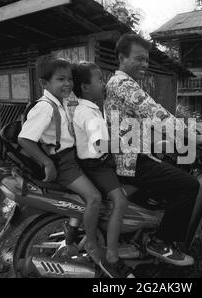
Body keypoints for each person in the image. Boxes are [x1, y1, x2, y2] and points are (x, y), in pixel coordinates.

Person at [104, 34, 202, 266]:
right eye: (139, 58)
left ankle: (141, 232)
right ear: (122, 58)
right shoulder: (123, 84)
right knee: (188, 185)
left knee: (171, 165)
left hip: (129, 153)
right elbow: (157, 114)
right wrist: (194, 136)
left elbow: (148, 119)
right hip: (131, 160)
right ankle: (161, 241)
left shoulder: (120, 84)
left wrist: (173, 137)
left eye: (147, 59)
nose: (145, 64)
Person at [17, 55, 103, 264]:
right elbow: (25, 139)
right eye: (61, 79)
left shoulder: (60, 102)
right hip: (62, 164)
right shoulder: (45, 107)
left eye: (70, 79)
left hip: (70, 158)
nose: (68, 84)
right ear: (44, 83)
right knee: (94, 198)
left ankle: (72, 231)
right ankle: (92, 243)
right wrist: (47, 163)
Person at [71, 61, 134, 278]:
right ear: (85, 87)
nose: (104, 83)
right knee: (121, 201)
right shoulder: (88, 113)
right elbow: (99, 144)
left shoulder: (87, 108)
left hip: (97, 163)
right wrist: (127, 145)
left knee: (133, 186)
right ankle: (112, 256)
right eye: (99, 80)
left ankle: (115, 231)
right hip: (97, 166)